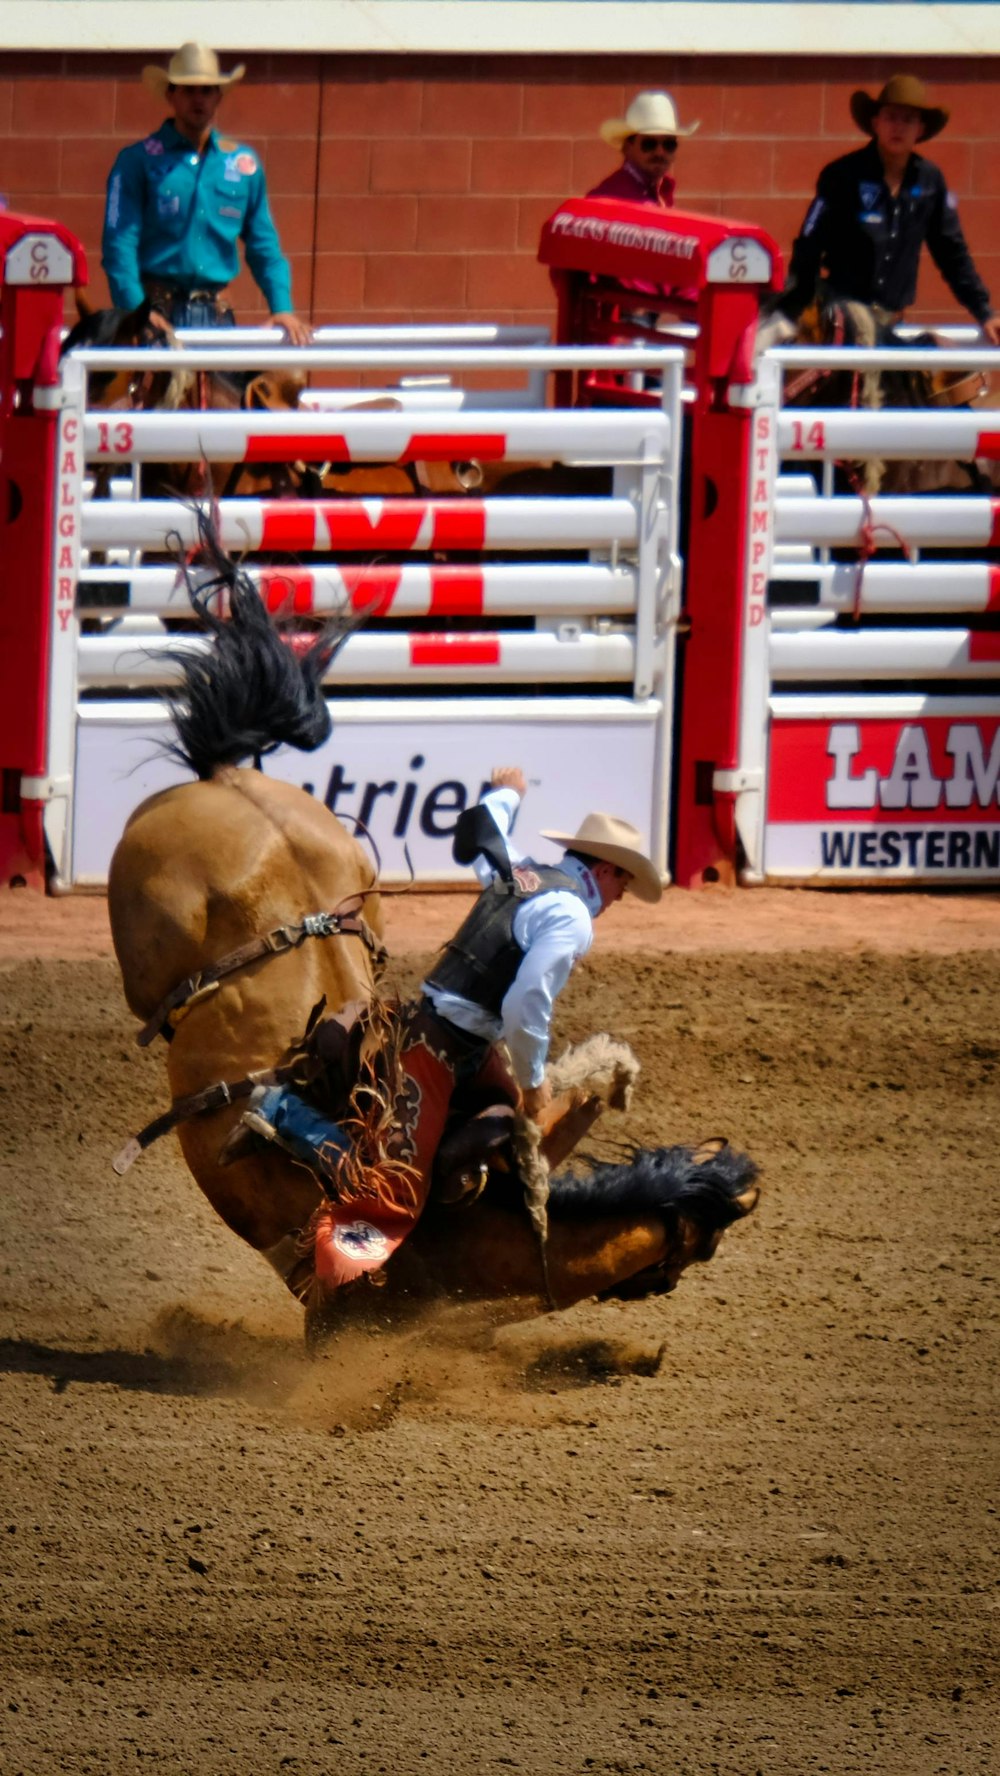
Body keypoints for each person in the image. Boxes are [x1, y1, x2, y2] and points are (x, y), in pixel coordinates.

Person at [228, 767, 663, 1294]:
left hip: (462, 1042)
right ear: (608, 869)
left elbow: (485, 832)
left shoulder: (520, 872)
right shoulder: (572, 915)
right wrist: (529, 1081)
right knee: (395, 1195)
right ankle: (284, 1113)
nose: (622, 896)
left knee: (519, 1147)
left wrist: (507, 793)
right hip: (437, 1048)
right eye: (624, 881)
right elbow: (528, 1002)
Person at [102, 41, 312, 343]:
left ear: (219, 96)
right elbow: (118, 245)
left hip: (217, 316)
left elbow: (264, 245)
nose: (198, 99)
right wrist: (137, 311)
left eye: (207, 90)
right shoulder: (137, 161)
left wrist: (282, 306)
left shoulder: (243, 166)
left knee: (248, 390)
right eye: (188, 90)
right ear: (170, 95)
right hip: (155, 313)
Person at [774, 73, 1000, 344]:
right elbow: (809, 246)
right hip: (844, 321)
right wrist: (797, 309)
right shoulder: (842, 176)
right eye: (891, 117)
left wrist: (984, 312)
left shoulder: (930, 181)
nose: (899, 127)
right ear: (875, 122)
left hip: (892, 321)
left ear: (920, 129)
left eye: (908, 120)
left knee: (937, 368)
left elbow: (952, 254)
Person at [588, 89, 700, 211]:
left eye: (669, 144)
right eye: (649, 144)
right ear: (627, 147)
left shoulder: (662, 189)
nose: (660, 152)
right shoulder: (609, 198)